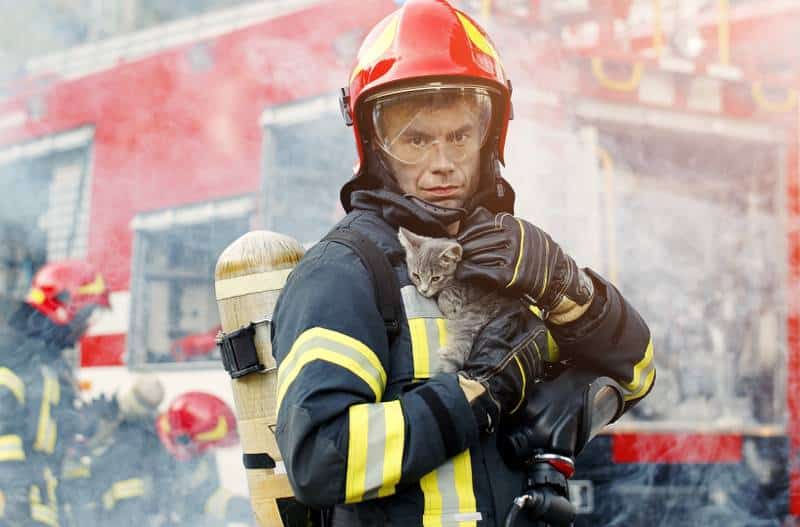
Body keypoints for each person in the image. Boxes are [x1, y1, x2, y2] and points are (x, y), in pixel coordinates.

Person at [270, 1, 655, 525]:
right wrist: (478, 393)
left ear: (488, 138)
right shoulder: (344, 273)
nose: (442, 163)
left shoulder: (513, 260)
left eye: (459, 136)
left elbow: (637, 375)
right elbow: (320, 459)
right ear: (377, 148)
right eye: (416, 140)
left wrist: (569, 290)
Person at [0, 260, 110, 526]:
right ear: (61, 306)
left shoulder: (48, 359)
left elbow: (48, 422)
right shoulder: (14, 351)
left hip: (41, 494)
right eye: (86, 314)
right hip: (16, 501)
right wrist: (15, 491)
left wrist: (88, 420)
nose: (87, 326)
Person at [60, 374, 166, 527]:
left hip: (115, 505)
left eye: (146, 405)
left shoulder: (147, 433)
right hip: (79, 490)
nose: (138, 406)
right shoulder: (99, 411)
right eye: (139, 399)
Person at [156, 391, 253, 526]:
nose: (209, 451)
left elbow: (207, 499)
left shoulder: (197, 454)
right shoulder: (142, 453)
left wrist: (249, 511)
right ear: (184, 440)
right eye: (206, 446)